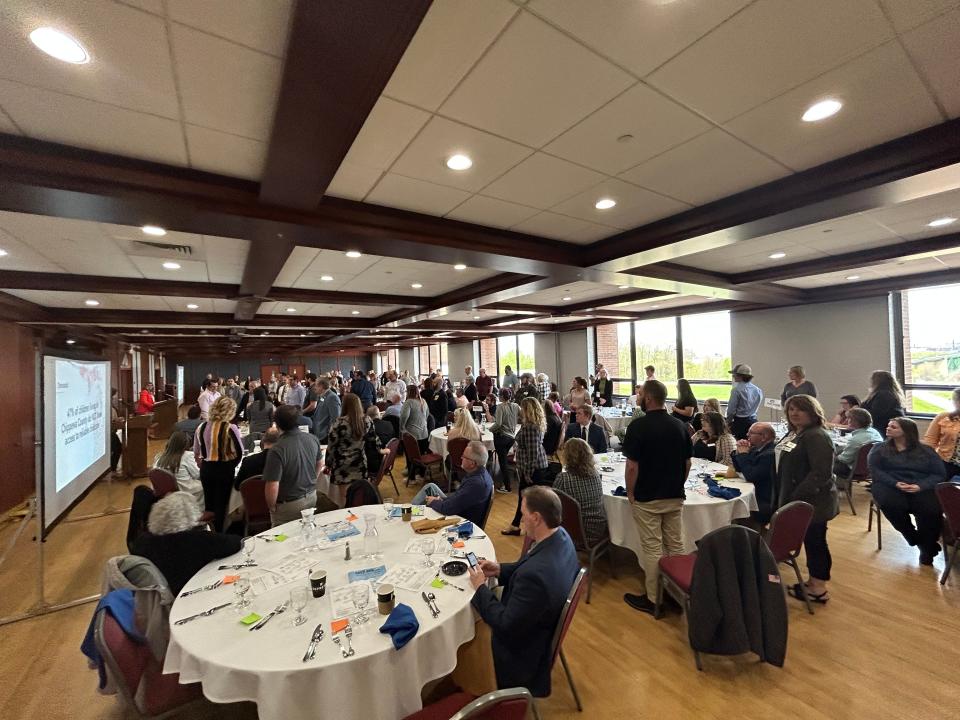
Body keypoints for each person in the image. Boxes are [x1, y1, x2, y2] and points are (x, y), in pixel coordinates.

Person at [467, 486, 579, 698]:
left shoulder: (535, 577)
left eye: (523, 513)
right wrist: (500, 569)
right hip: (538, 618)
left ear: (536, 517)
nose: (521, 519)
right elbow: (529, 566)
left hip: (523, 651)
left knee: (469, 622)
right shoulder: (561, 537)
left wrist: (480, 587)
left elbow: (504, 624)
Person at [622, 380, 691, 615]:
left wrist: (630, 492)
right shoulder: (680, 426)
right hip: (674, 495)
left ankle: (654, 599)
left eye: (640, 393)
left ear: (649, 398)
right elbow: (687, 463)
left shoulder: (638, 427)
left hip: (648, 497)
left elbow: (632, 467)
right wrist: (677, 484)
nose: (638, 396)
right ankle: (678, 595)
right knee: (676, 545)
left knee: (652, 548)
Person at [776, 394, 838, 605]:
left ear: (812, 412)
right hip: (800, 501)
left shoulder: (816, 436)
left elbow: (821, 473)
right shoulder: (797, 434)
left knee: (816, 541)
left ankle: (818, 587)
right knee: (812, 541)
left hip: (812, 503)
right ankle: (813, 582)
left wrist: (796, 497)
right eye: (791, 409)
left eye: (800, 409)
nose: (794, 413)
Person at [131, 492, 241, 595]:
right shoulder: (197, 539)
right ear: (192, 516)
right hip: (196, 594)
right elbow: (236, 542)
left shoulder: (142, 543)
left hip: (158, 598)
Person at [869, 417, 946, 565]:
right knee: (890, 504)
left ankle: (926, 549)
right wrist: (895, 483)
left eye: (894, 427)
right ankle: (914, 538)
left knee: (931, 510)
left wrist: (921, 486)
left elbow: (938, 474)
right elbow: (876, 471)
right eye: (888, 425)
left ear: (907, 432)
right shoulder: (879, 449)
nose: (888, 428)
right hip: (890, 485)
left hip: (920, 485)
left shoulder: (926, 451)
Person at [263, 406, 323, 524]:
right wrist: (312, 479)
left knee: (282, 538)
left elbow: (272, 484)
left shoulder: (277, 449)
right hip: (311, 496)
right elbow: (320, 463)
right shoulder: (312, 438)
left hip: (288, 503)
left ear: (277, 424)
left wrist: (271, 506)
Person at [193, 396, 243, 532]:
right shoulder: (230, 428)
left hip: (206, 469)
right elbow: (239, 451)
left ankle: (208, 530)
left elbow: (196, 451)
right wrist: (232, 465)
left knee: (209, 504)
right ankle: (220, 533)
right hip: (224, 469)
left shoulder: (201, 427)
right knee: (221, 504)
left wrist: (202, 465)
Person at [325, 393, 383, 507]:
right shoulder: (367, 420)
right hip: (360, 463)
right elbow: (374, 440)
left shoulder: (338, 423)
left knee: (345, 499)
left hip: (342, 466)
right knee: (359, 496)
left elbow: (331, 447)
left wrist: (328, 464)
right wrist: (381, 450)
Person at [412, 441, 494, 522]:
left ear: (472, 463)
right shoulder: (480, 473)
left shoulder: (476, 484)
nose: (461, 458)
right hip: (457, 509)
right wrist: (442, 500)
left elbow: (447, 509)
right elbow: (459, 498)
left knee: (427, 499)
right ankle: (411, 512)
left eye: (464, 456)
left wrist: (434, 502)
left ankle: (410, 514)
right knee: (430, 487)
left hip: (457, 519)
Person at [502, 397, 549, 536]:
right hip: (536, 466)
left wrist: (527, 473)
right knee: (527, 498)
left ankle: (520, 526)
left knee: (527, 498)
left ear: (527, 409)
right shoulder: (536, 424)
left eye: (523, 408)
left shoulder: (530, 427)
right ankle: (517, 525)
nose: (521, 411)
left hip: (533, 469)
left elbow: (532, 452)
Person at [554, 438, 607, 546]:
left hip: (573, 531)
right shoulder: (596, 475)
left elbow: (553, 504)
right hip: (597, 529)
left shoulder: (563, 478)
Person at [731, 422, 776, 525]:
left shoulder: (769, 454)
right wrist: (738, 452)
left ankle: (745, 535)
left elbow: (750, 475)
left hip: (762, 499)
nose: (747, 435)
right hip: (754, 492)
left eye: (751, 433)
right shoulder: (757, 448)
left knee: (733, 505)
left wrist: (743, 454)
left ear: (764, 437)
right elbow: (739, 468)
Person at [153, 431, 202, 510]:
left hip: (167, 492)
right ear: (185, 444)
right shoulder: (187, 456)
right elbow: (197, 474)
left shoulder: (158, 457)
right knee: (208, 486)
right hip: (186, 490)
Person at [485, 388, 519, 494]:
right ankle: (506, 483)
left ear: (500, 397)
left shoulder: (500, 407)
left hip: (501, 437)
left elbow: (498, 423)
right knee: (503, 460)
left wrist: (489, 429)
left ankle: (507, 486)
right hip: (511, 437)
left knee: (503, 462)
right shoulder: (516, 406)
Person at [922, 387, 960, 479]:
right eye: (957, 400)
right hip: (946, 462)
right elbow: (930, 441)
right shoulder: (943, 417)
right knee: (940, 489)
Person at [833, 408, 883, 477]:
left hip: (854, 469)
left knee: (825, 464)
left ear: (854, 421)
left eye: (849, 418)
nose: (847, 420)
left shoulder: (855, 440)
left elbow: (844, 460)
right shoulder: (874, 431)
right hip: (873, 467)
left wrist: (833, 457)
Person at [400, 384, 431, 483]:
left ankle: (412, 478)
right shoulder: (423, 401)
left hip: (411, 434)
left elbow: (404, 417)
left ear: (408, 392)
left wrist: (402, 428)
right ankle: (422, 475)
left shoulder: (408, 402)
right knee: (422, 456)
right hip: (424, 433)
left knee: (411, 456)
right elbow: (427, 416)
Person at [726, 363, 763, 440]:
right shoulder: (758, 390)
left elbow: (731, 411)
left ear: (741, 376)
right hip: (753, 421)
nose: (733, 376)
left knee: (740, 444)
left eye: (735, 374)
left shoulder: (736, 390)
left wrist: (727, 422)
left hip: (740, 423)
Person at [310, 378, 340, 443]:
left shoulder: (332, 397)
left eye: (316, 385)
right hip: (319, 432)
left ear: (321, 386)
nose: (314, 388)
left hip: (324, 435)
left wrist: (328, 433)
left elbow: (335, 418)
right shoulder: (323, 396)